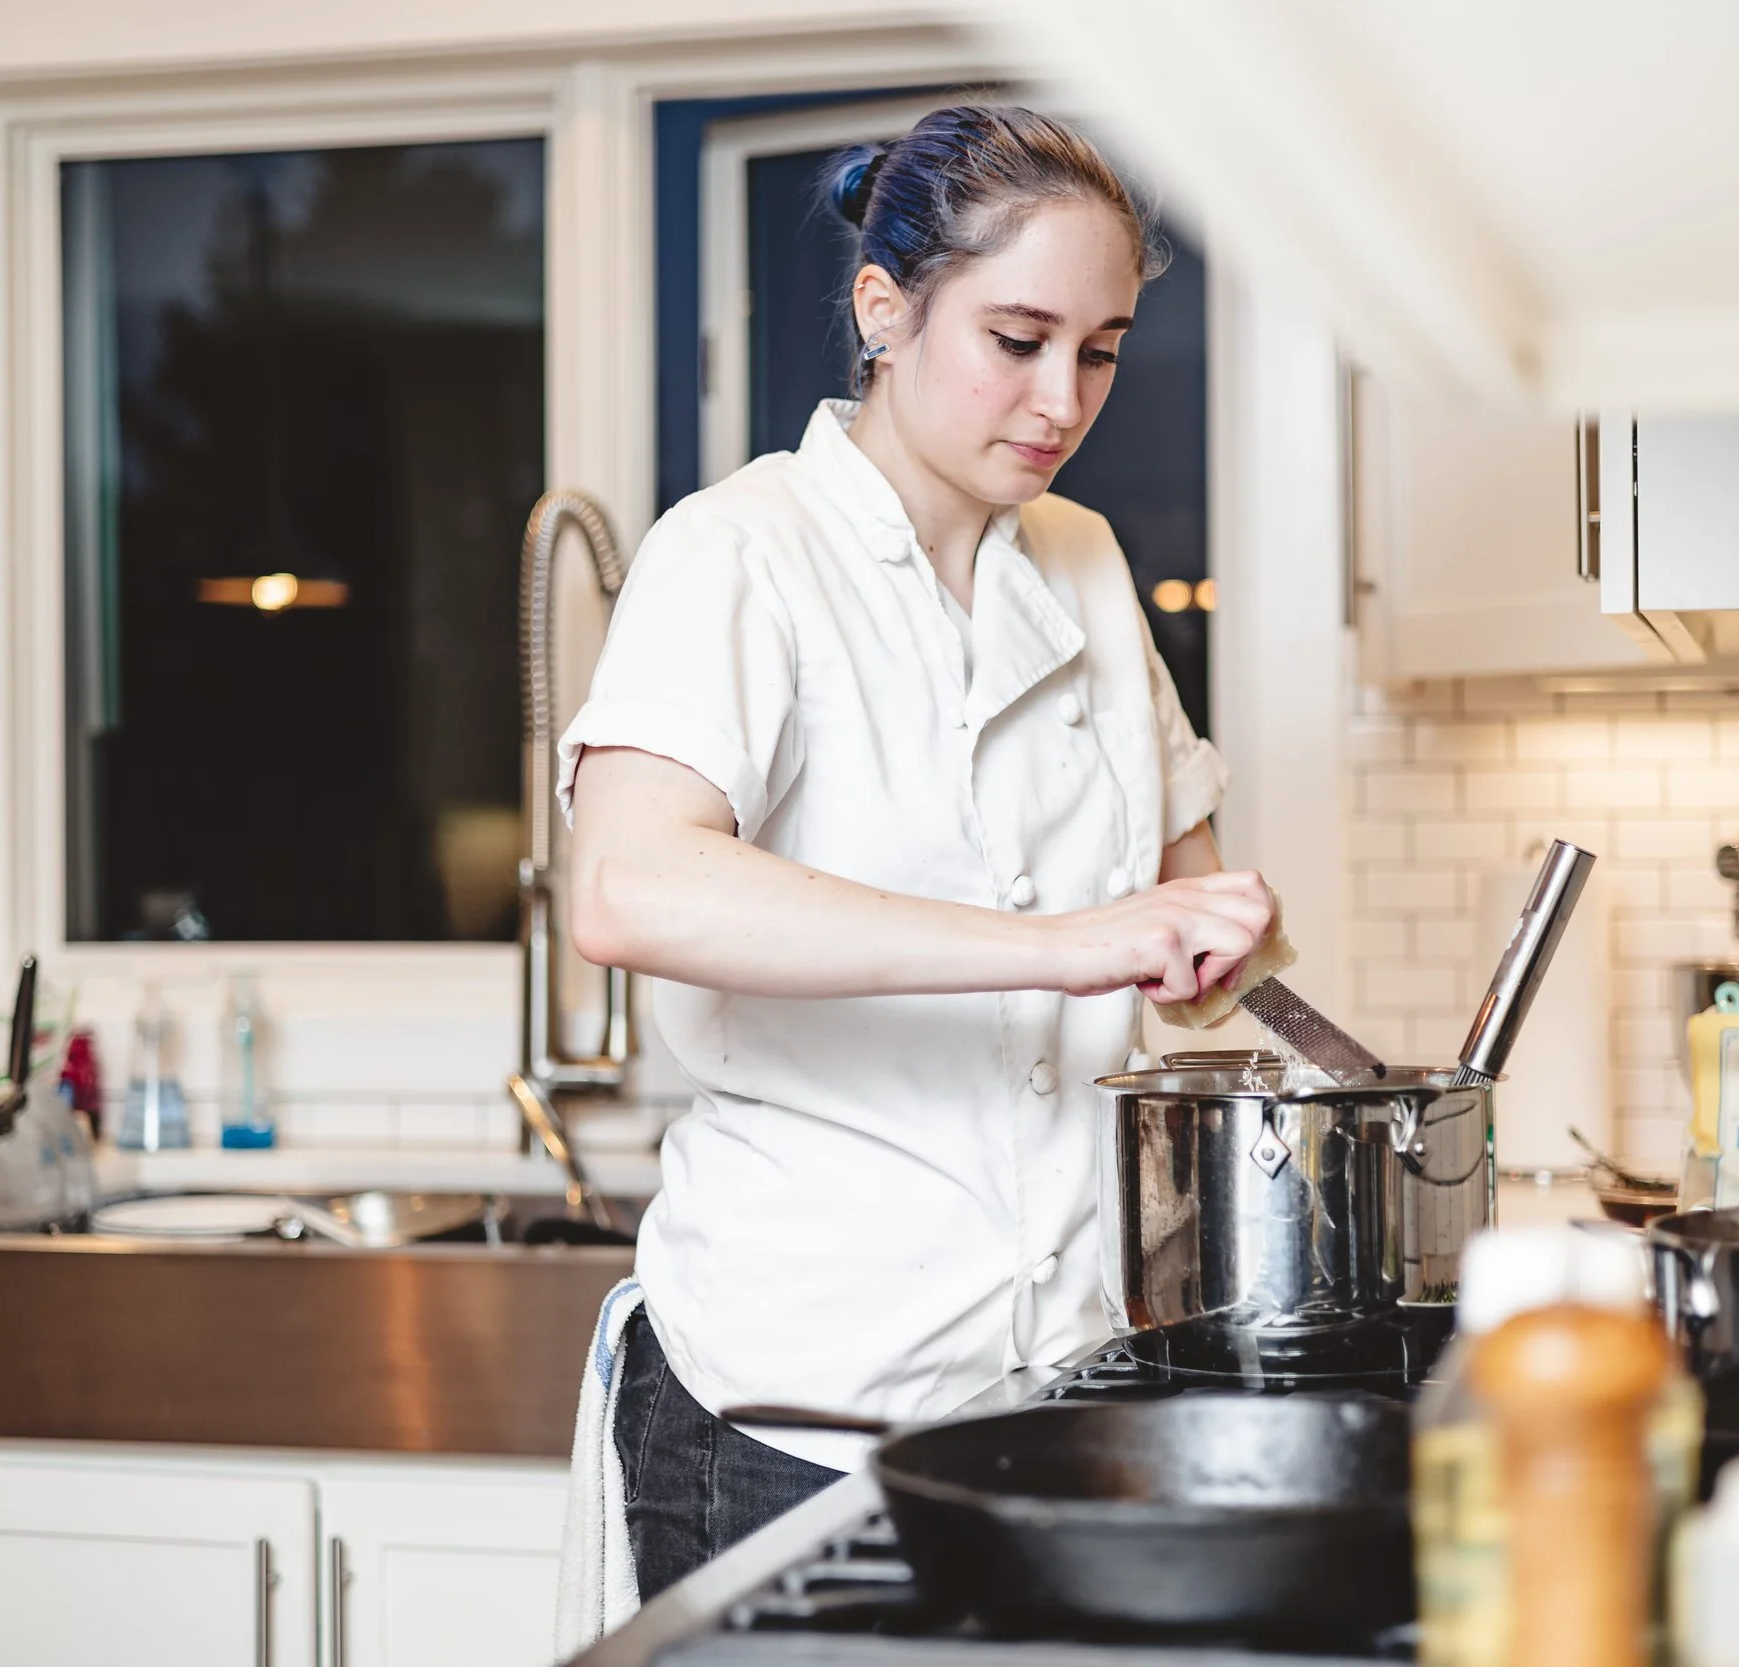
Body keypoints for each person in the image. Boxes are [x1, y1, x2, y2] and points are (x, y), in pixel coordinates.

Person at [557, 103, 1275, 1598]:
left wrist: (1214, 950)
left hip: (1056, 1385)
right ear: (884, 309)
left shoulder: (1079, 561)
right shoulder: (739, 548)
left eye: (1101, 348)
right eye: (1016, 337)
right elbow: (627, 887)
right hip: (797, 1403)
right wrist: (1065, 943)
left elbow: (1179, 922)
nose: (1063, 394)